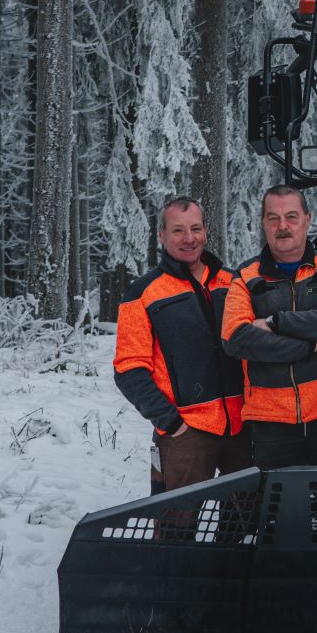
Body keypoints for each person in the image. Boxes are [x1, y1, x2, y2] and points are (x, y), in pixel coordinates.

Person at [113, 197, 251, 491]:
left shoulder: (233, 283)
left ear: (206, 232)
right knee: (175, 524)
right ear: (161, 235)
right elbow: (128, 369)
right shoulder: (143, 293)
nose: (189, 239)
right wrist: (171, 423)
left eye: (195, 229)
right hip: (185, 433)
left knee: (247, 521)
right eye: (177, 231)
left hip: (244, 427)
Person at [222, 184, 317, 468]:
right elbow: (235, 337)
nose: (282, 226)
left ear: (307, 219)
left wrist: (276, 322)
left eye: (291, 217)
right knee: (278, 508)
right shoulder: (246, 275)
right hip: (270, 421)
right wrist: (311, 344)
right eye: (273, 218)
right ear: (263, 222)